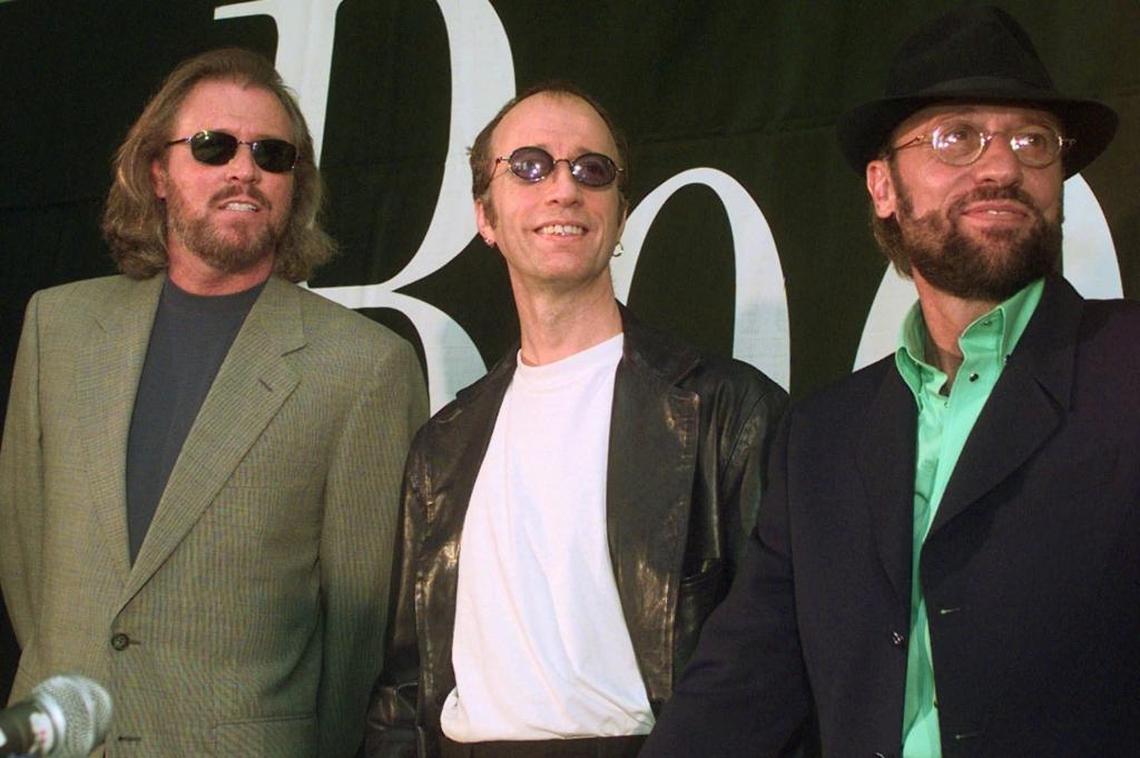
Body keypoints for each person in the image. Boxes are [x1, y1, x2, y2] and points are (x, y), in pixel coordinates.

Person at [642, 7, 1138, 757]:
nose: (1002, 166)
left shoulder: (1127, 366)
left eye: (1033, 140)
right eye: (957, 136)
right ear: (883, 186)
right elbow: (739, 689)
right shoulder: (821, 438)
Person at [0, 48, 428, 756]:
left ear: (295, 184)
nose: (243, 170)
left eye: (271, 153)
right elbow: (26, 558)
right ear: (156, 172)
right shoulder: (58, 327)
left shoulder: (363, 367)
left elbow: (363, 628)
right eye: (213, 146)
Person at [362, 83, 787, 758]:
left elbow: (774, 655)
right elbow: (405, 686)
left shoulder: (726, 411)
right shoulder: (443, 446)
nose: (563, 189)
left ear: (618, 217)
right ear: (485, 213)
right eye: (530, 165)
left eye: (592, 169)